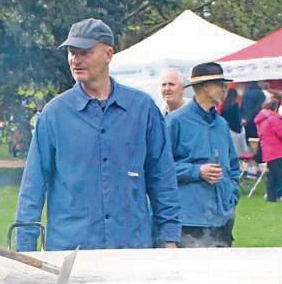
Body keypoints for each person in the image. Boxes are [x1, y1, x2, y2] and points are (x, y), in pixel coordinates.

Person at [14, 18, 181, 251]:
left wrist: (169, 238)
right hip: (71, 250)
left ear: (108, 54)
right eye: (72, 53)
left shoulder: (143, 109)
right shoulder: (54, 115)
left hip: (131, 248)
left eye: (85, 53)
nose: (76, 60)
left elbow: (162, 179)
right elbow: (33, 186)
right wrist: (24, 247)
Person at [166, 62, 240, 248]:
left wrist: (232, 195)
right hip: (190, 221)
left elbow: (233, 166)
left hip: (222, 218)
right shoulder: (176, 121)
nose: (225, 89)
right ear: (205, 87)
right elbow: (158, 168)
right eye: (220, 84)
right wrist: (196, 171)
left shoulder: (221, 124)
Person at [220, 86, 247, 156]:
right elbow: (237, 118)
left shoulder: (224, 106)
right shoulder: (235, 105)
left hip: (227, 129)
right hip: (236, 130)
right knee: (238, 150)